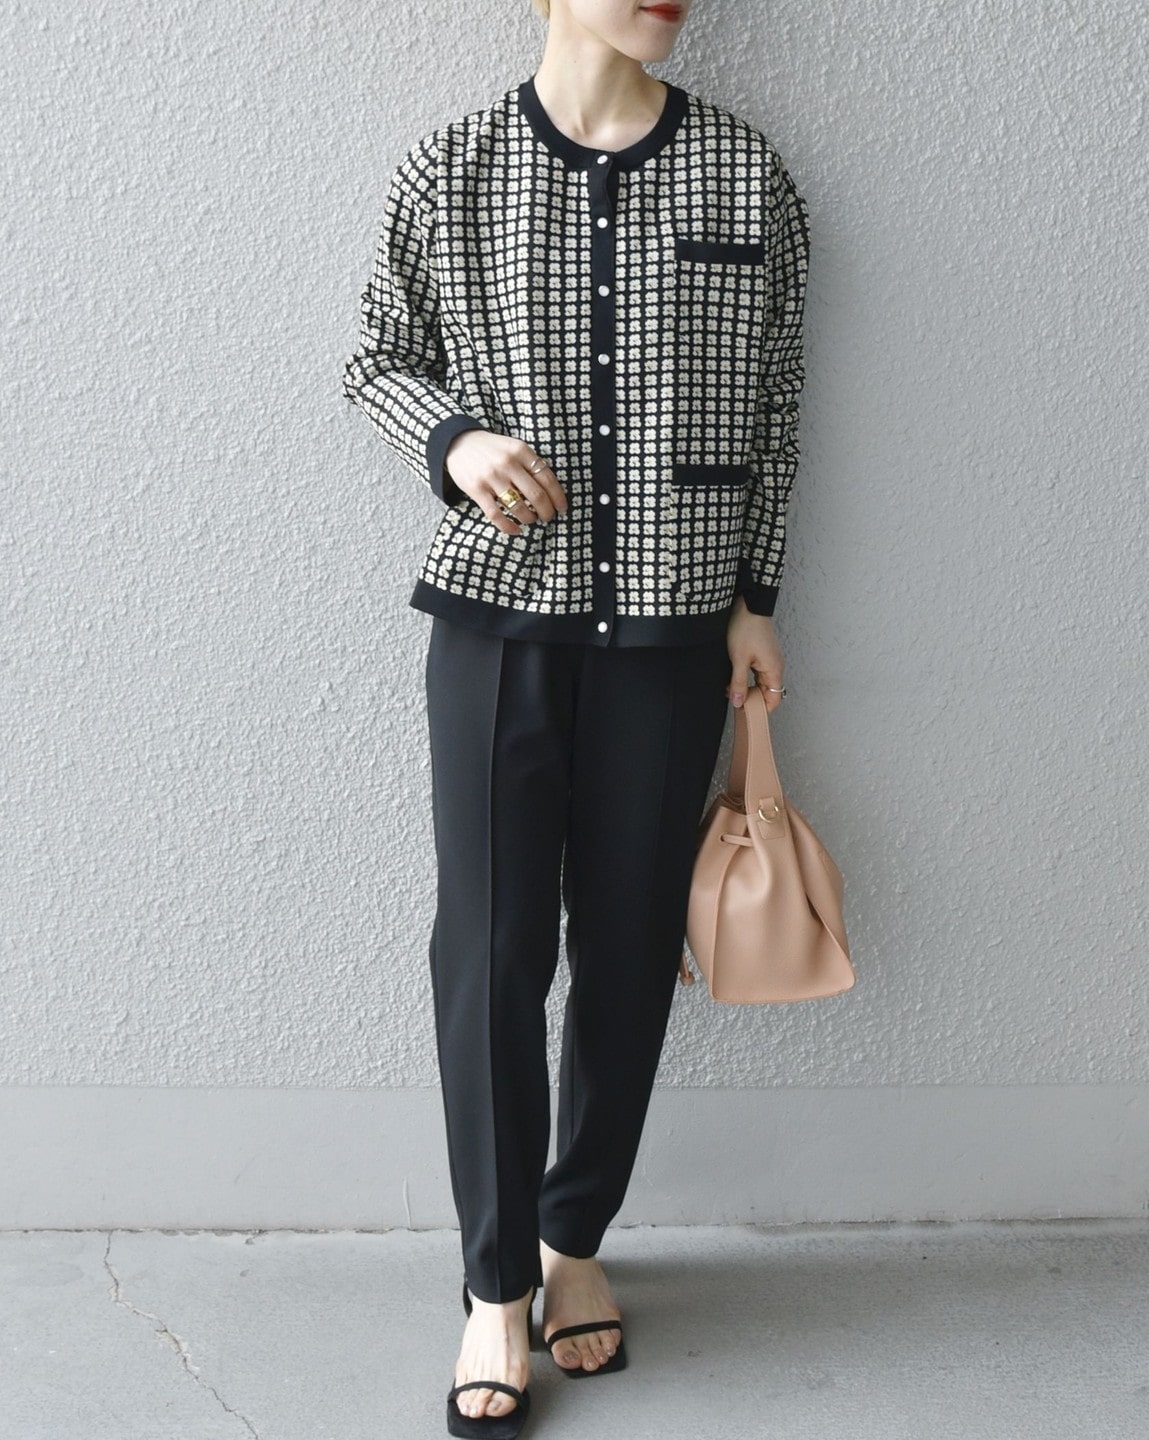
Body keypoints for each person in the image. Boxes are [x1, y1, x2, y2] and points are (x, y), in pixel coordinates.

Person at [341, 2, 810, 1434]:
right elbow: (375, 356)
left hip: (675, 626)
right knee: (489, 951)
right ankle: (494, 1287)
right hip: (499, 627)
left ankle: (574, 1239)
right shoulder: (453, 168)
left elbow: (776, 404)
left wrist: (755, 598)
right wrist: (455, 442)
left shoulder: (747, 176)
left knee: (626, 947)